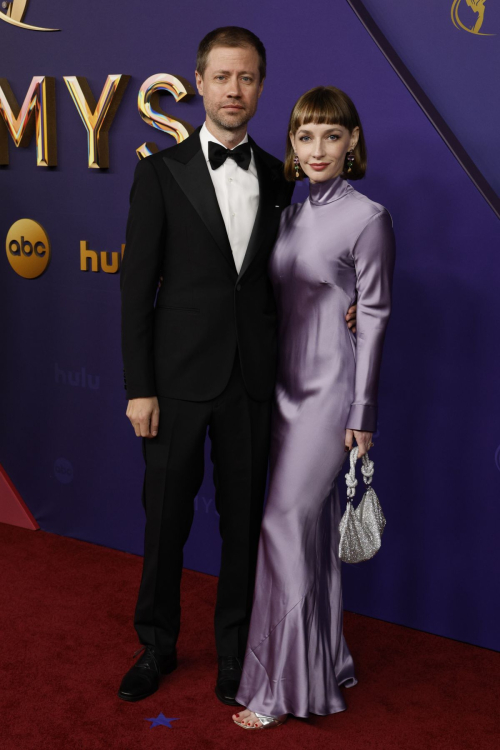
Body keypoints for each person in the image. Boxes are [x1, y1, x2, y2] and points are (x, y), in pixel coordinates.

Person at [119, 30, 357, 705]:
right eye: (222, 76)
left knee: (243, 525)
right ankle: (156, 645)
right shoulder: (159, 174)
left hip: (256, 384)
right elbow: (136, 289)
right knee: (164, 521)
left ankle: (236, 655)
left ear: (260, 86)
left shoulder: (285, 178)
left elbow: (306, 272)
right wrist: (141, 387)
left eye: (247, 78)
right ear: (198, 82)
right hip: (175, 384)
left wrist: (347, 307)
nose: (233, 90)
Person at [232, 86, 396, 729]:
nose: (319, 148)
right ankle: (325, 661)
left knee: (283, 526)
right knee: (309, 536)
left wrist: (363, 412)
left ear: (353, 141)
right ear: (293, 148)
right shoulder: (292, 213)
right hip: (283, 390)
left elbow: (376, 318)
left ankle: (286, 689)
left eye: (332, 135)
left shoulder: (369, 217)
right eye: (305, 136)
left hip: (332, 395)